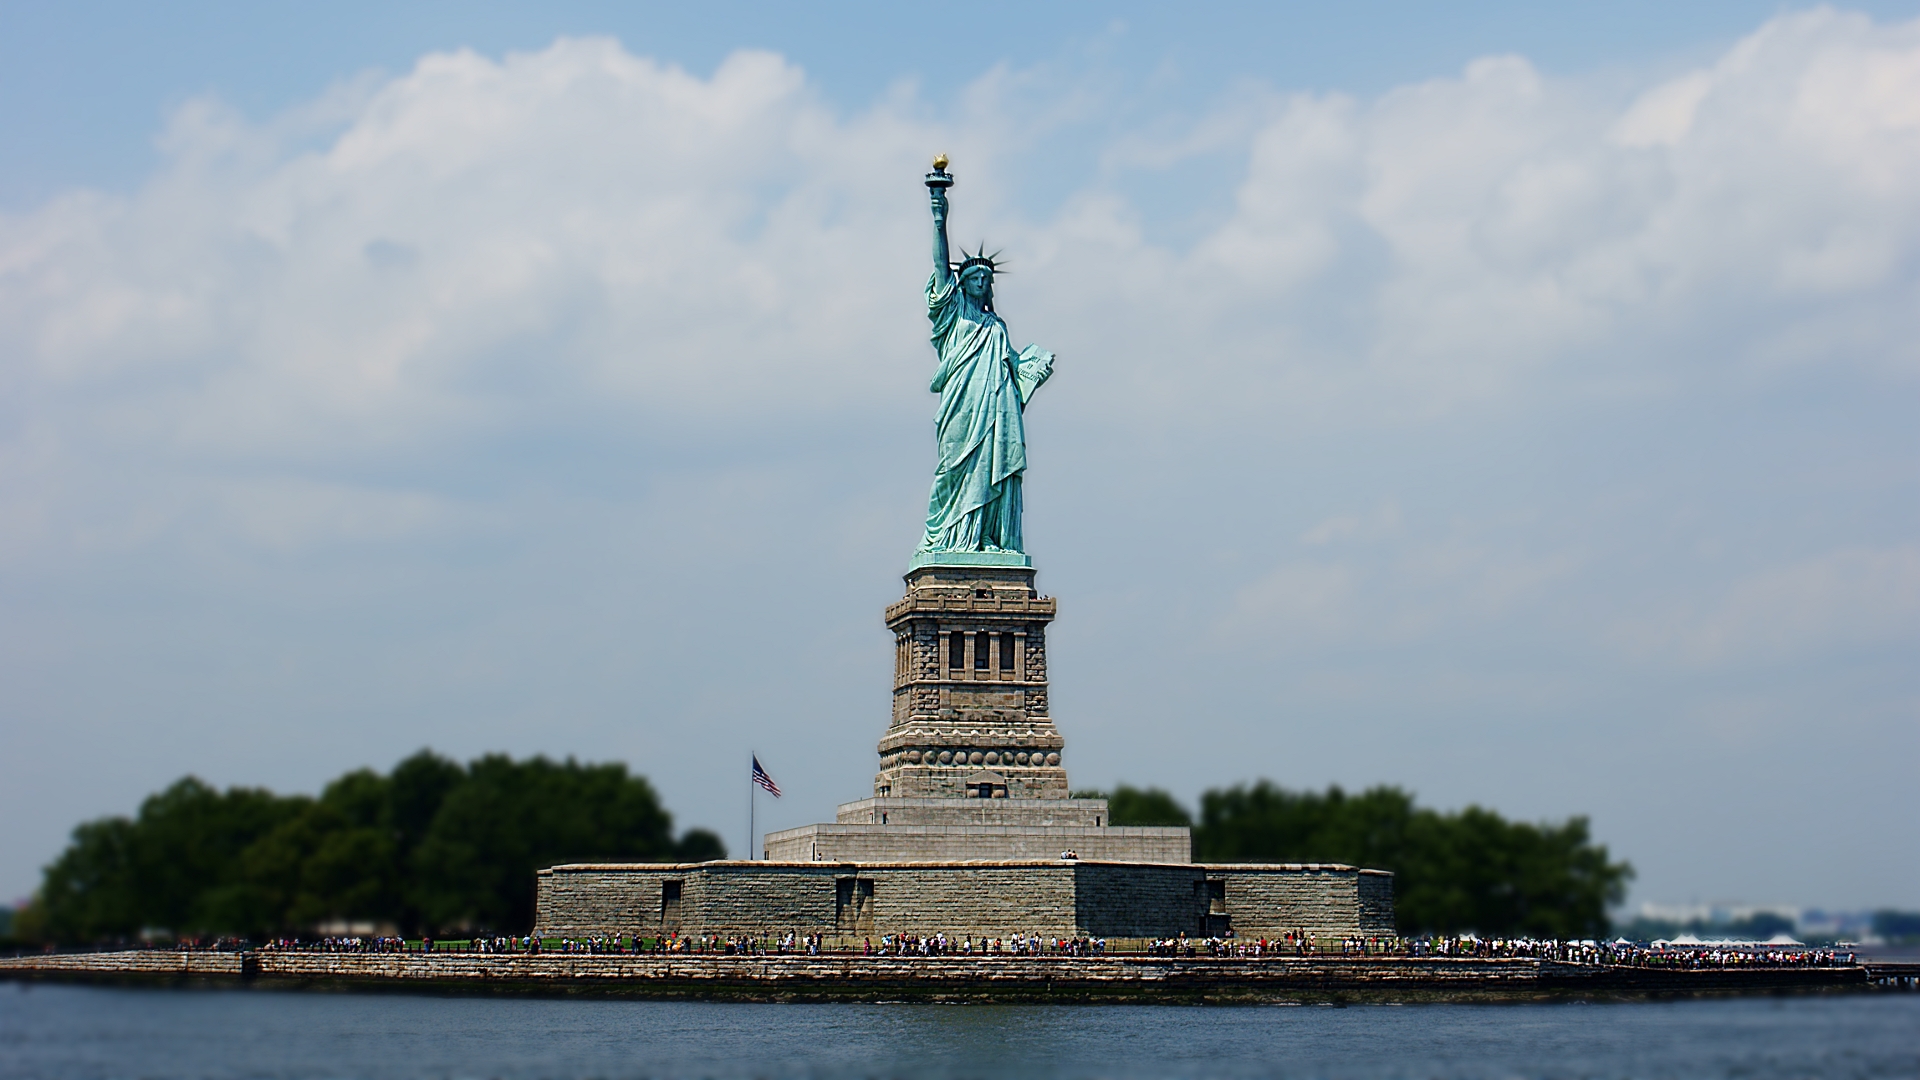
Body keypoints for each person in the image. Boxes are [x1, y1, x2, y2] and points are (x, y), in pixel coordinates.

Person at [919, 176, 1053, 554]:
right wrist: (938, 216)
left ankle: (985, 538)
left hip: (997, 408)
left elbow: (1014, 369)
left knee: (994, 467)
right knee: (953, 469)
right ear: (962, 284)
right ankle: (949, 538)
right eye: (973, 277)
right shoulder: (953, 313)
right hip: (962, 406)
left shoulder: (996, 326)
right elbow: (940, 265)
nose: (979, 281)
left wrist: (1034, 372)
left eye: (985, 278)